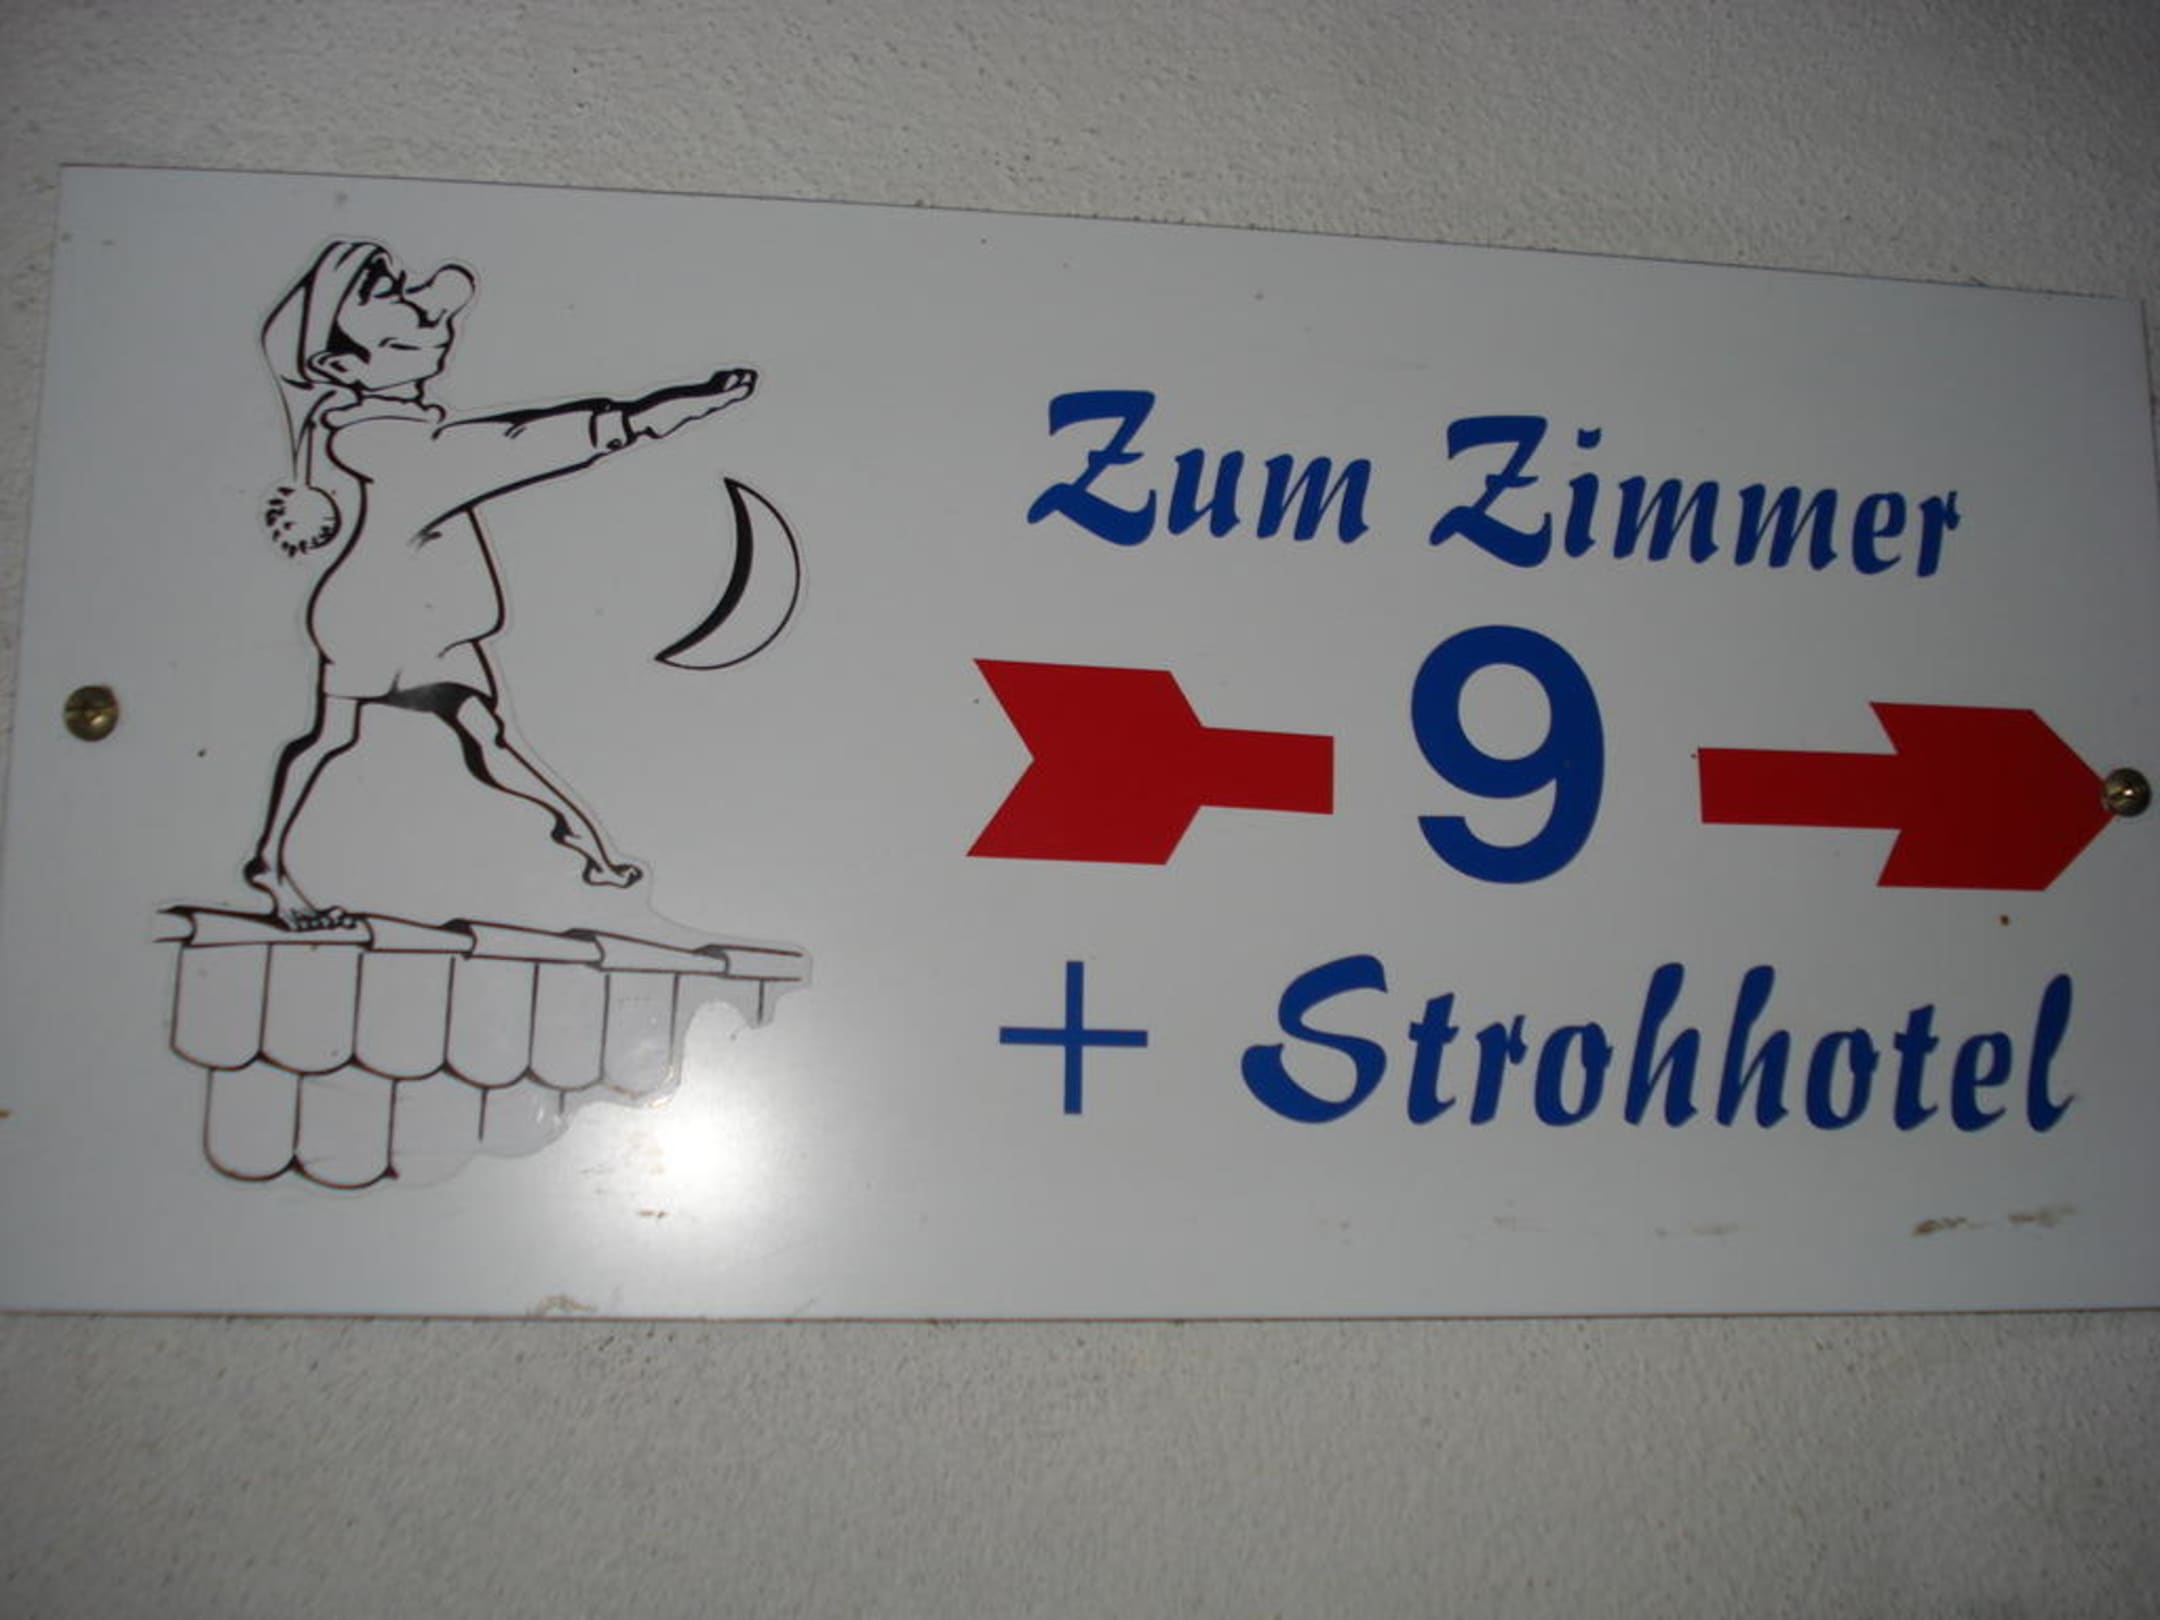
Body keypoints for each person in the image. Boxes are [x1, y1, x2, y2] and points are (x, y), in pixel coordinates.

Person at [247, 240, 755, 928]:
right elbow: (508, 447)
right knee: (337, 739)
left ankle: (587, 842)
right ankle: (271, 864)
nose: (424, 311)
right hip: (374, 616)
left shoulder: (393, 430)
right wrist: (641, 418)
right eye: (385, 308)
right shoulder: (378, 441)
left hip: (430, 620)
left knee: (482, 734)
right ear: (343, 365)